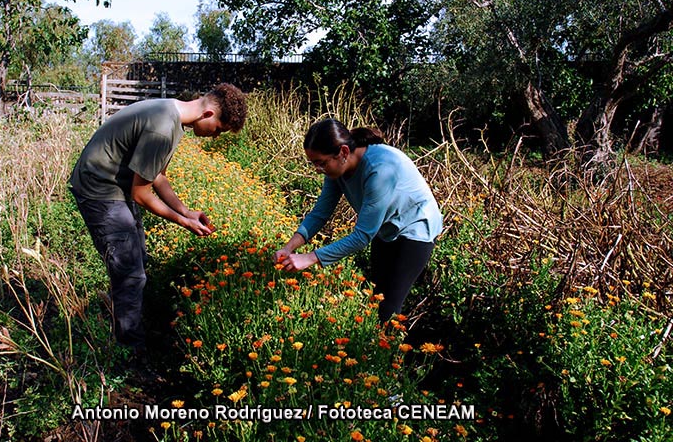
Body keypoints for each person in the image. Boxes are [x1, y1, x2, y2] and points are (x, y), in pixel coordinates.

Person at [69, 83, 247, 367]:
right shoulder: (163, 128)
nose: (215, 136)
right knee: (130, 271)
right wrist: (182, 222)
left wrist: (187, 211)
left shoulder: (173, 115)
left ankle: (129, 322)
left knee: (138, 258)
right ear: (208, 114)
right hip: (100, 187)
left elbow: (157, 177)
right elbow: (141, 194)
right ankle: (129, 354)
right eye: (218, 129)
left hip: (117, 184)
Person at [274, 118, 443, 323]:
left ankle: (391, 342)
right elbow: (320, 213)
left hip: (416, 228)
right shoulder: (336, 170)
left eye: (321, 162)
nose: (318, 169)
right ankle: (374, 340)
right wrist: (289, 247)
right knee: (376, 297)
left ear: (343, 152)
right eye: (314, 163)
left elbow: (362, 236)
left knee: (388, 308)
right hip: (386, 228)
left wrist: (309, 258)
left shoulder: (379, 170)